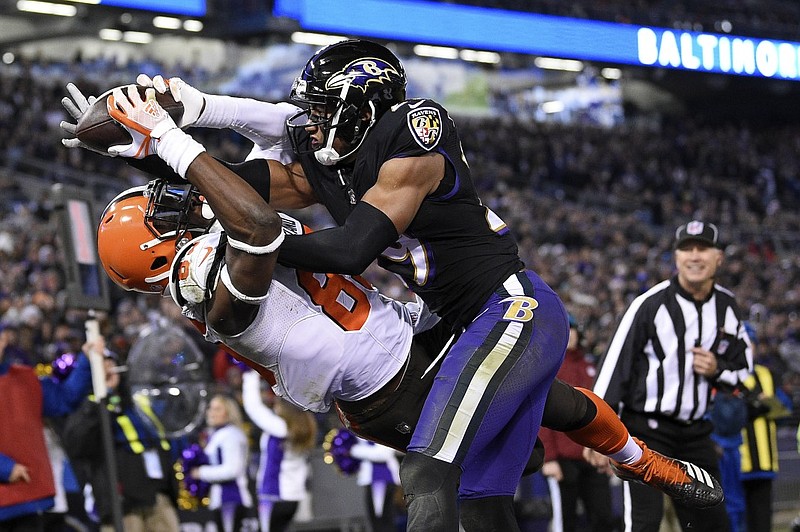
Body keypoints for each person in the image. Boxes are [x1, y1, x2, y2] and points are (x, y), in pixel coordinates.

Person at [60, 42, 722, 531]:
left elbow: (340, 245)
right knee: (501, 480)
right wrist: (172, 149)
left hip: (508, 305)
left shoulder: (413, 134)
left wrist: (185, 123)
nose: (307, 123)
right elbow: (253, 170)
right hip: (447, 330)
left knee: (434, 472)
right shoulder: (321, 174)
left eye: (322, 112)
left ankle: (654, 467)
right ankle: (659, 469)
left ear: (358, 110)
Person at [593, 220, 754, 532]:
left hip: (696, 434)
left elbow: (744, 368)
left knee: (710, 522)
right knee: (645, 522)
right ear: (677, 257)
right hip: (647, 432)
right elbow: (615, 367)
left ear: (719, 257)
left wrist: (717, 369)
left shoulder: (727, 306)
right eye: (686, 249)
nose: (694, 256)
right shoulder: (649, 304)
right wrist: (598, 432)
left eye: (702, 249)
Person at [62, 348, 180, 532]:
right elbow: (76, 445)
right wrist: (103, 395)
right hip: (122, 505)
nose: (108, 367)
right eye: (102, 364)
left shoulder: (137, 400)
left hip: (158, 498)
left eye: (111, 362)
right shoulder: (85, 406)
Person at [0, 325, 95, 531]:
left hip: (28, 498)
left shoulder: (25, 379)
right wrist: (5, 468)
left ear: (4, 340)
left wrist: (87, 361)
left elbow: (65, 399)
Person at [539, 316, 616, 532]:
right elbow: (540, 415)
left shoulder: (590, 366)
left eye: (573, 329)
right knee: (565, 521)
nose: (570, 333)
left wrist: (609, 450)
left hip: (593, 455)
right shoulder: (547, 366)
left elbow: (604, 412)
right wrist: (549, 458)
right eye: (566, 329)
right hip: (563, 458)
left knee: (603, 517)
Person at [241, 369, 317, 532]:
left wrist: (250, 375)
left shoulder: (281, 428)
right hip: (293, 497)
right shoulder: (302, 429)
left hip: (275, 495)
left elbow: (254, 408)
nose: (275, 407)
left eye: (277, 404)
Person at [737, 322, 792, 532]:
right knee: (738, 519)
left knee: (762, 521)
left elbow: (784, 406)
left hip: (765, 462)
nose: (748, 347)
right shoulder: (727, 374)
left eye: (750, 342)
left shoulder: (767, 374)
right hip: (738, 462)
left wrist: (772, 405)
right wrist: (754, 405)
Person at [191, 394, 253, 532]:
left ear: (228, 413)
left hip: (231, 498)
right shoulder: (218, 434)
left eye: (218, 409)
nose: (211, 412)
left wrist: (200, 473)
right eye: (210, 408)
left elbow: (232, 470)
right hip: (222, 499)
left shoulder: (230, 435)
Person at [349, 436, 402, 532]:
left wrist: (353, 450)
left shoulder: (379, 429)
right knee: (379, 519)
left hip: (380, 478)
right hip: (377, 479)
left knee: (381, 520)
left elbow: (382, 454)